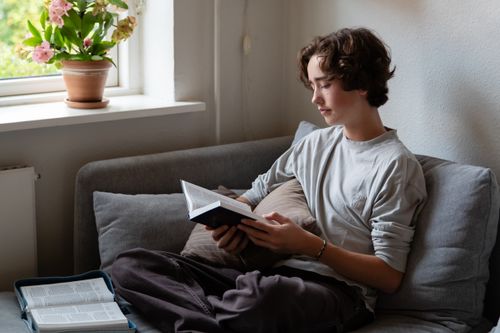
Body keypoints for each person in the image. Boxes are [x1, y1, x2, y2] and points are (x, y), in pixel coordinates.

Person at [112, 27, 427, 333]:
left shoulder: (395, 165)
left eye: (325, 84)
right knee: (130, 266)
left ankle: (206, 314)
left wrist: (312, 246)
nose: (315, 98)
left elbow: (389, 275)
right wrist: (232, 222)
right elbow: (257, 191)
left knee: (261, 298)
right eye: (312, 87)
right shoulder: (315, 144)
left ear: (363, 84)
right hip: (268, 275)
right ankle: (211, 321)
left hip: (338, 293)